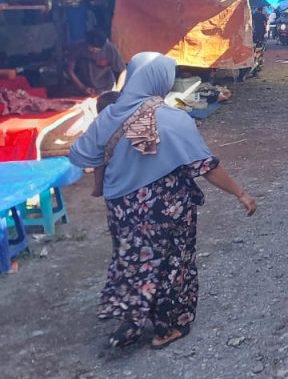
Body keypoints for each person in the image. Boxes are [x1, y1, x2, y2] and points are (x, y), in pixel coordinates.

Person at [69, 53, 256, 349]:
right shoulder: (173, 119)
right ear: (160, 80)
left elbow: (84, 154)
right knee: (172, 263)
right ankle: (167, 327)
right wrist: (241, 193)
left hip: (123, 209)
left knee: (132, 259)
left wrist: (104, 180)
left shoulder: (109, 115)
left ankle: (131, 317)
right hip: (167, 208)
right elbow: (205, 166)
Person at [67, 30, 126, 96]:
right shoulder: (78, 48)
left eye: (98, 49)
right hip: (84, 87)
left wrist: (116, 91)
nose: (94, 50)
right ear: (86, 43)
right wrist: (82, 87)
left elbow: (123, 71)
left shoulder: (111, 49)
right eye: (91, 48)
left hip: (107, 88)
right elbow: (70, 70)